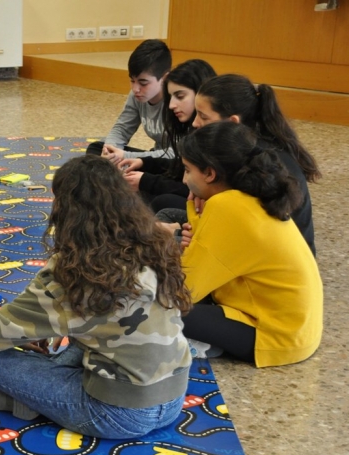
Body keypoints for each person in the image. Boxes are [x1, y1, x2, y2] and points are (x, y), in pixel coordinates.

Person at [0, 155, 192, 439]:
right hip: (174, 396)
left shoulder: (71, 270)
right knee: (80, 338)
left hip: (115, 414)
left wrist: (29, 333)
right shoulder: (157, 243)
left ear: (64, 209)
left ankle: (35, 399)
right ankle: (41, 391)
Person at [177, 122, 323, 367]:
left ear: (210, 174)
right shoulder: (246, 195)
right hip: (299, 332)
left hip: (275, 336)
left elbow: (184, 288)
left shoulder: (226, 206)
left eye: (187, 170)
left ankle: (200, 345)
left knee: (159, 309)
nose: (184, 179)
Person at [158, 74, 319, 254]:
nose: (195, 123)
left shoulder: (257, 163)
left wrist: (180, 233)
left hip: (269, 252)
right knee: (165, 213)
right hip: (247, 236)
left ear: (233, 122)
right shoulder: (240, 146)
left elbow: (233, 231)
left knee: (162, 232)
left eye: (203, 116)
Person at [119, 59, 217, 208]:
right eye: (170, 97)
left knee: (162, 201)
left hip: (208, 204)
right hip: (190, 190)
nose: (171, 105)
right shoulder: (189, 127)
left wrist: (147, 181)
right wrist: (144, 162)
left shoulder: (217, 136)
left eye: (180, 96)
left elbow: (194, 187)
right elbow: (180, 167)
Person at [86, 39, 172, 163]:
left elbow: (181, 153)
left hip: (174, 162)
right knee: (96, 148)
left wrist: (126, 156)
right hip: (153, 157)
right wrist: (109, 151)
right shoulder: (137, 95)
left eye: (143, 83)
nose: (135, 89)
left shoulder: (178, 100)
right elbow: (122, 128)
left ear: (164, 78)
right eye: (132, 80)